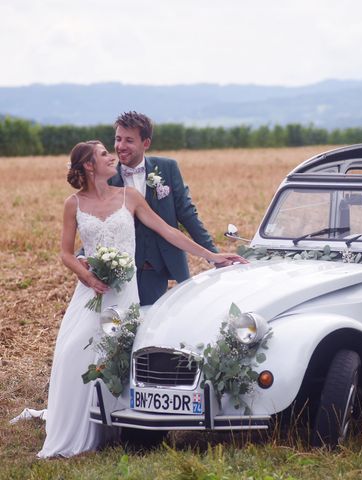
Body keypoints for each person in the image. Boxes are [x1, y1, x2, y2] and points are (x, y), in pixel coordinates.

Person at [38, 141, 246, 458]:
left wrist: (211, 256)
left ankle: (115, 425)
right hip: (92, 291)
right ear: (90, 166)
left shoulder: (130, 197)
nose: (112, 156)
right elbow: (66, 253)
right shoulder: (73, 204)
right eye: (104, 154)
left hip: (125, 291)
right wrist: (88, 276)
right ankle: (75, 428)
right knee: (75, 351)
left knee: (119, 351)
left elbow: (167, 230)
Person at [110, 111, 223, 305]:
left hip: (159, 263)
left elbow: (187, 214)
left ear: (146, 143)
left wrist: (213, 255)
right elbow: (96, 219)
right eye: (118, 139)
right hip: (120, 266)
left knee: (157, 322)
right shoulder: (108, 177)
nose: (121, 146)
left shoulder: (167, 168)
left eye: (129, 140)